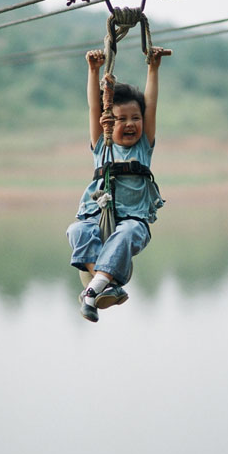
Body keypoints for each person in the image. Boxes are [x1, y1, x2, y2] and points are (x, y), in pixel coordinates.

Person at [66, 49, 165, 322]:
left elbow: (152, 104)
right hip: (96, 217)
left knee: (128, 231)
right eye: (121, 119)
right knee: (76, 230)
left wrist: (153, 69)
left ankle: (92, 290)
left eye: (135, 118)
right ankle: (105, 282)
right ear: (109, 123)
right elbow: (94, 107)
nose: (130, 124)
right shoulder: (101, 145)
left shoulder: (144, 148)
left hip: (132, 220)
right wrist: (93, 71)